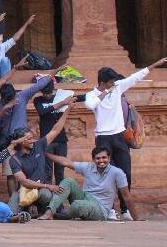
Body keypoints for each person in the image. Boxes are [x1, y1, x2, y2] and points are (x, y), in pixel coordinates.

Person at [84, 57, 167, 221]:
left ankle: (124, 209)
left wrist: (155, 65)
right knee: (105, 173)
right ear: (103, 82)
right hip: (102, 138)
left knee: (125, 173)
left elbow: (136, 77)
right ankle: (109, 209)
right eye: (110, 82)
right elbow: (90, 105)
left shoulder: (118, 87)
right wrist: (106, 92)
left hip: (119, 136)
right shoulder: (92, 95)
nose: (114, 84)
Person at [7, 102, 74, 216]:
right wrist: (47, 186)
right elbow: (24, 181)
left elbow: (55, 130)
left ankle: (43, 210)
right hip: (25, 191)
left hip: (42, 191)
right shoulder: (14, 159)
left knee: (46, 195)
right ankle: (25, 209)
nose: (33, 140)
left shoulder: (39, 145)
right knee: (10, 213)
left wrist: (68, 110)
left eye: (33, 138)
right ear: (21, 142)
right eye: (29, 139)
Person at [40, 146, 142, 221]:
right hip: (85, 198)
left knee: (78, 205)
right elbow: (65, 162)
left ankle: (65, 215)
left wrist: (136, 218)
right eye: (98, 158)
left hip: (100, 209)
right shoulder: (88, 167)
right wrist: (45, 154)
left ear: (109, 158)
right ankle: (50, 212)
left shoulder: (117, 173)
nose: (101, 161)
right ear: (93, 160)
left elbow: (126, 196)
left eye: (104, 158)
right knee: (68, 181)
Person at [33, 80, 75, 185]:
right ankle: (48, 193)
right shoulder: (38, 100)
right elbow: (42, 111)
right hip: (47, 139)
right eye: (44, 93)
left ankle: (60, 194)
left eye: (49, 93)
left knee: (60, 171)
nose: (46, 95)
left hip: (61, 139)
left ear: (53, 90)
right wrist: (62, 103)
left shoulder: (60, 97)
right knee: (47, 171)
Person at [0, 14, 35, 90]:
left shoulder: (1, 46)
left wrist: (27, 23)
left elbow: (15, 37)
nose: (0, 36)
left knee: (5, 60)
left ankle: (5, 85)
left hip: (1, 75)